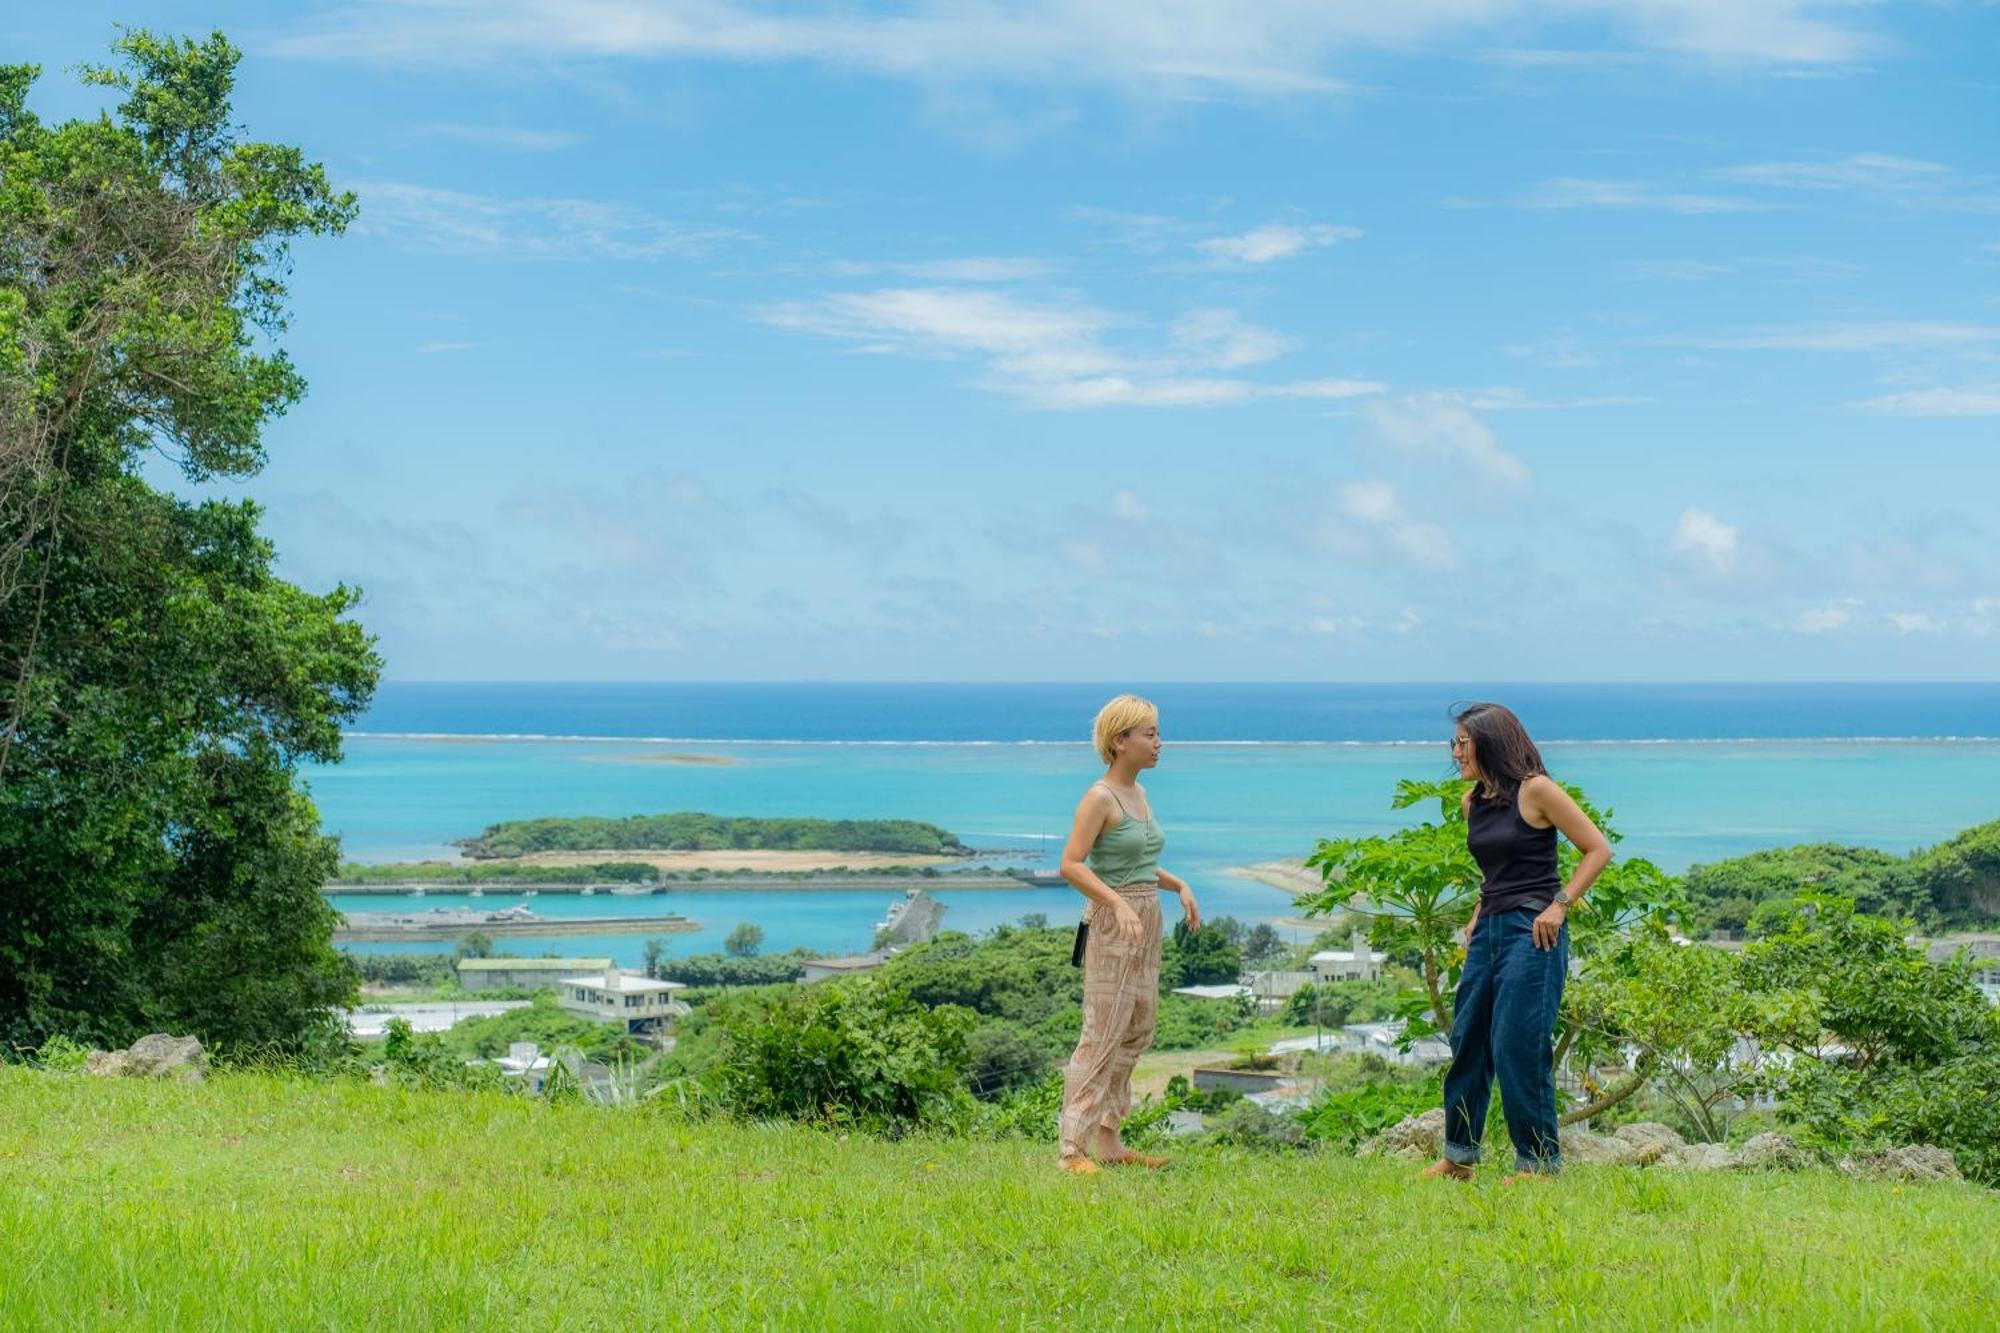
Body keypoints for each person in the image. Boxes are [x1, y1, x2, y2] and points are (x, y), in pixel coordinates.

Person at [1423, 701, 1611, 1182]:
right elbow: (1497, 874)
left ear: (1490, 742)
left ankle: (1539, 1164)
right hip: (1489, 930)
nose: (1455, 752)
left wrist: (1560, 904)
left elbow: (1597, 849)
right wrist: (1477, 913)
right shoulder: (1473, 802)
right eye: (1455, 743)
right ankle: (1459, 1157)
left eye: (1462, 742)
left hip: (1533, 930)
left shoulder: (1537, 790)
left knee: (1517, 1044)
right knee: (1468, 1038)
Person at [1056, 693, 1202, 1175]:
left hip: (1145, 918)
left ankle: (1110, 1141)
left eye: (1157, 732)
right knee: (1101, 1033)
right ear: (1120, 741)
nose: (1160, 743)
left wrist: (1177, 884)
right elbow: (1071, 865)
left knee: (1136, 1028)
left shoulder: (1139, 794)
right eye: (1150, 734)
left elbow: (1139, 863)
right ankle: (1072, 1150)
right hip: (1113, 924)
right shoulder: (1100, 796)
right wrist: (1116, 902)